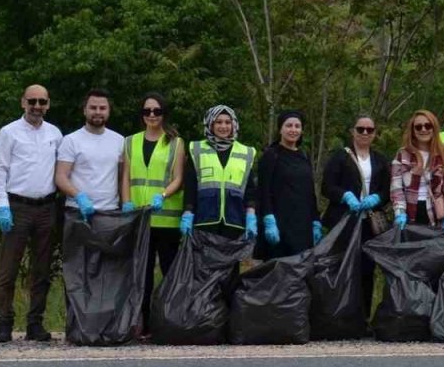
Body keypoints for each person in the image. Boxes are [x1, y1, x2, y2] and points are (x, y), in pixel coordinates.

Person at [0, 84, 63, 343]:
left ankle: (35, 323)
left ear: (48, 104)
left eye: (42, 102)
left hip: (46, 207)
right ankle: (4, 322)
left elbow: (62, 169)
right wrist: (1, 205)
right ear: (23, 102)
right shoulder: (9, 132)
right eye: (32, 101)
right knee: (8, 269)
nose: (37, 107)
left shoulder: (55, 133)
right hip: (17, 206)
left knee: (41, 270)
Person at [120, 93, 185, 337]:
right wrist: (126, 202)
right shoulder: (130, 142)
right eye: (147, 111)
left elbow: (178, 177)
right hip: (140, 218)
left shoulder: (175, 143)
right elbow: (126, 176)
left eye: (156, 111)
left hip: (167, 218)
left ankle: (171, 321)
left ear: (163, 113)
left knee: (169, 272)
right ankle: (144, 323)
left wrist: (163, 195)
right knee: (142, 275)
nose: (152, 115)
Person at [321, 114, 389, 312]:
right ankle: (338, 314)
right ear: (353, 131)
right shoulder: (340, 157)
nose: (365, 133)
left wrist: (377, 198)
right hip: (343, 221)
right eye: (361, 129)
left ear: (375, 133)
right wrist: (345, 196)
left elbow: (387, 190)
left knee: (367, 268)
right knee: (340, 266)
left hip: (369, 223)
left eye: (370, 130)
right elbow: (327, 186)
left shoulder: (380, 160)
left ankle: (363, 315)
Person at [180, 105, 259, 240]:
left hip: (235, 222)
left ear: (233, 125)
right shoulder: (197, 149)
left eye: (228, 122)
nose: (223, 126)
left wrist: (251, 216)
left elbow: (250, 190)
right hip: (204, 221)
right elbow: (190, 187)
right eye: (219, 122)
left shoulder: (246, 152)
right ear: (211, 124)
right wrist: (187, 213)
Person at [256, 110, 319, 258]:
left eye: (297, 126)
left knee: (301, 268)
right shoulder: (271, 155)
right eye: (289, 125)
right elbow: (263, 191)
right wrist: (268, 218)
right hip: (279, 225)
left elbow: (310, 193)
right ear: (280, 129)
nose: (293, 129)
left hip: (302, 225)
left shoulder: (304, 156)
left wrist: (316, 220)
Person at [55, 89, 125, 222]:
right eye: (93, 108)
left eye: (102, 108)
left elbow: (122, 177)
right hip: (77, 211)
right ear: (84, 110)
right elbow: (60, 177)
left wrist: (125, 202)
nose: (98, 112)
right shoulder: (71, 140)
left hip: (110, 211)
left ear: (109, 111)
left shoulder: (119, 140)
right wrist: (79, 197)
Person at [390, 109, 444, 233]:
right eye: (418, 127)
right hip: (409, 214)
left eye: (428, 126)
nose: (423, 129)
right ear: (413, 131)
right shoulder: (402, 154)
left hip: (437, 216)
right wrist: (399, 212)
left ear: (434, 128)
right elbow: (396, 188)